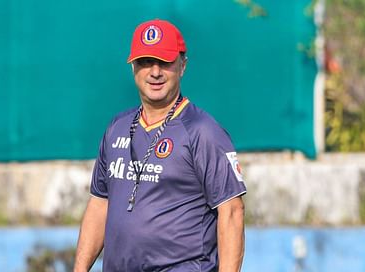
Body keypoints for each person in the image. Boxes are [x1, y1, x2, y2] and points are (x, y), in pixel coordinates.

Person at [74, 19, 246, 272]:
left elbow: (232, 212)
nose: (155, 72)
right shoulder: (117, 127)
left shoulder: (202, 131)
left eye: (164, 62)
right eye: (145, 62)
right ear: (133, 67)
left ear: (182, 66)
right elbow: (100, 204)